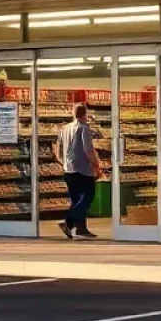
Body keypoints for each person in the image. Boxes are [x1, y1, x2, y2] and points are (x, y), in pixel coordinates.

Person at [55, 102, 101, 240]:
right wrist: (96, 165)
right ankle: (68, 221)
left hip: (68, 170)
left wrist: (63, 161)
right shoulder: (84, 129)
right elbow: (88, 150)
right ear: (85, 114)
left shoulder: (64, 128)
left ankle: (81, 228)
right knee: (88, 196)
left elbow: (58, 148)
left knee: (76, 200)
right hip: (82, 170)